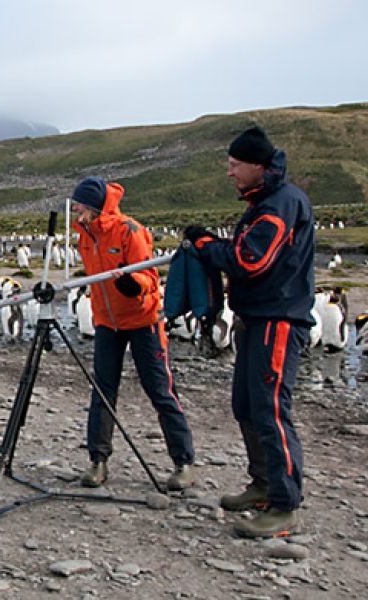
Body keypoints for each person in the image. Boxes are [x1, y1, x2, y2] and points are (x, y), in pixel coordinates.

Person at [184, 125, 314, 538]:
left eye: (235, 165)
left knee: (271, 411)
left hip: (277, 320)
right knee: (247, 406)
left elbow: (250, 261)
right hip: (256, 318)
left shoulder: (278, 206)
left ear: (258, 166)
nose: (230, 173)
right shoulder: (265, 201)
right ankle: (263, 484)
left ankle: (284, 505)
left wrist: (206, 246)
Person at [70, 176, 196, 491]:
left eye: (79, 203)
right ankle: (98, 461)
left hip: (143, 319)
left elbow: (149, 275)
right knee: (102, 391)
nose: (75, 208)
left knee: (160, 390)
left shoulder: (129, 230)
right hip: (106, 322)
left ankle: (183, 462)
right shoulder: (84, 234)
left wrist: (133, 285)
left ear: (93, 205)